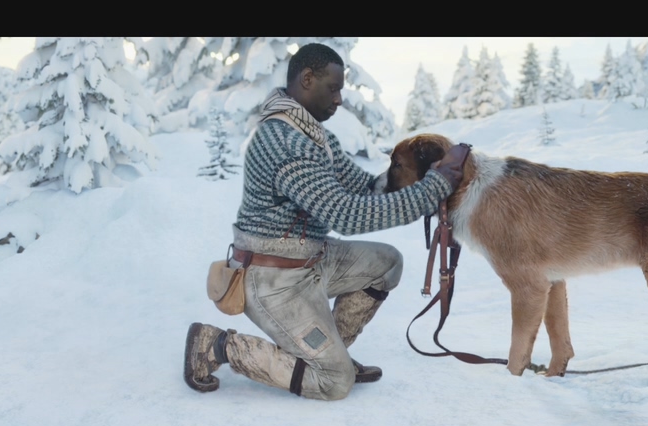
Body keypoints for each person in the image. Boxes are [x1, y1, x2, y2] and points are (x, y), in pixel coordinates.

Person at [184, 42, 469, 401]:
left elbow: (366, 188)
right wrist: (431, 191)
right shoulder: (284, 142)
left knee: (387, 262)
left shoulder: (316, 136)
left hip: (312, 259)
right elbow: (344, 215)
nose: (338, 100)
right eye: (333, 89)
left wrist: (422, 176)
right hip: (273, 279)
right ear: (307, 79)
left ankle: (324, 351)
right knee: (334, 383)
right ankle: (218, 345)